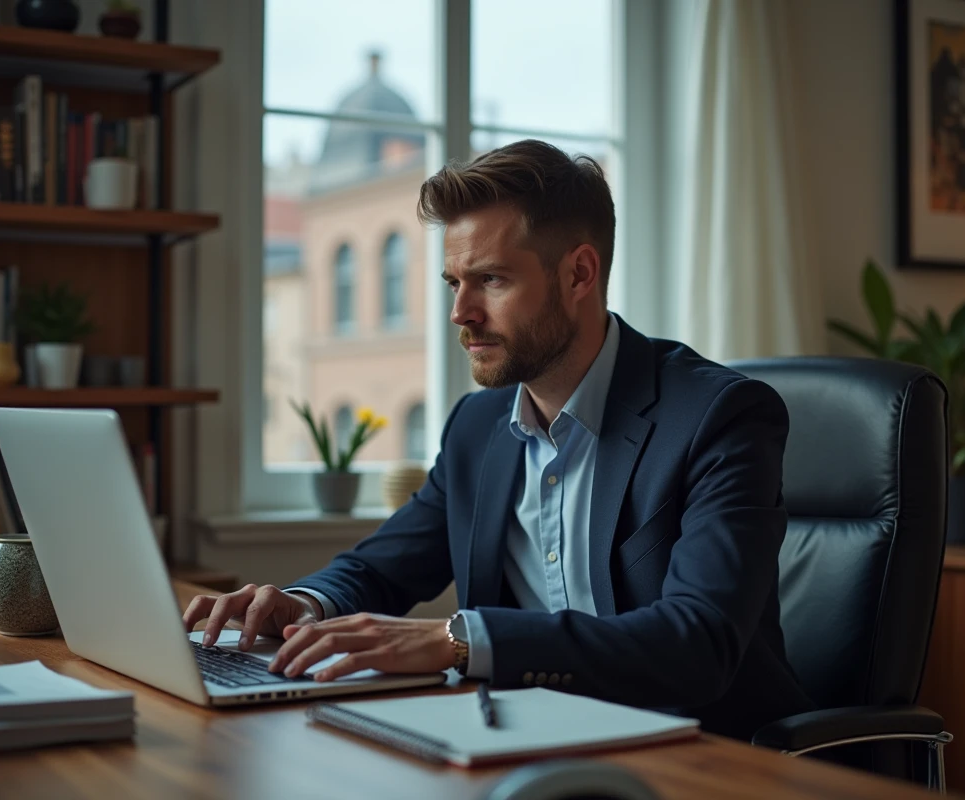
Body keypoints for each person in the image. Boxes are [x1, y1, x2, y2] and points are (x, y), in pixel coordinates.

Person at [183, 139, 815, 740]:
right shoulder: (476, 427)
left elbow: (698, 643)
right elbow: (382, 567)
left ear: (579, 274)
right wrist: (305, 604)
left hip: (702, 756)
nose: (461, 313)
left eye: (490, 280)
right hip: (523, 740)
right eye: (453, 283)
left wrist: (459, 639)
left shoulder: (717, 416)